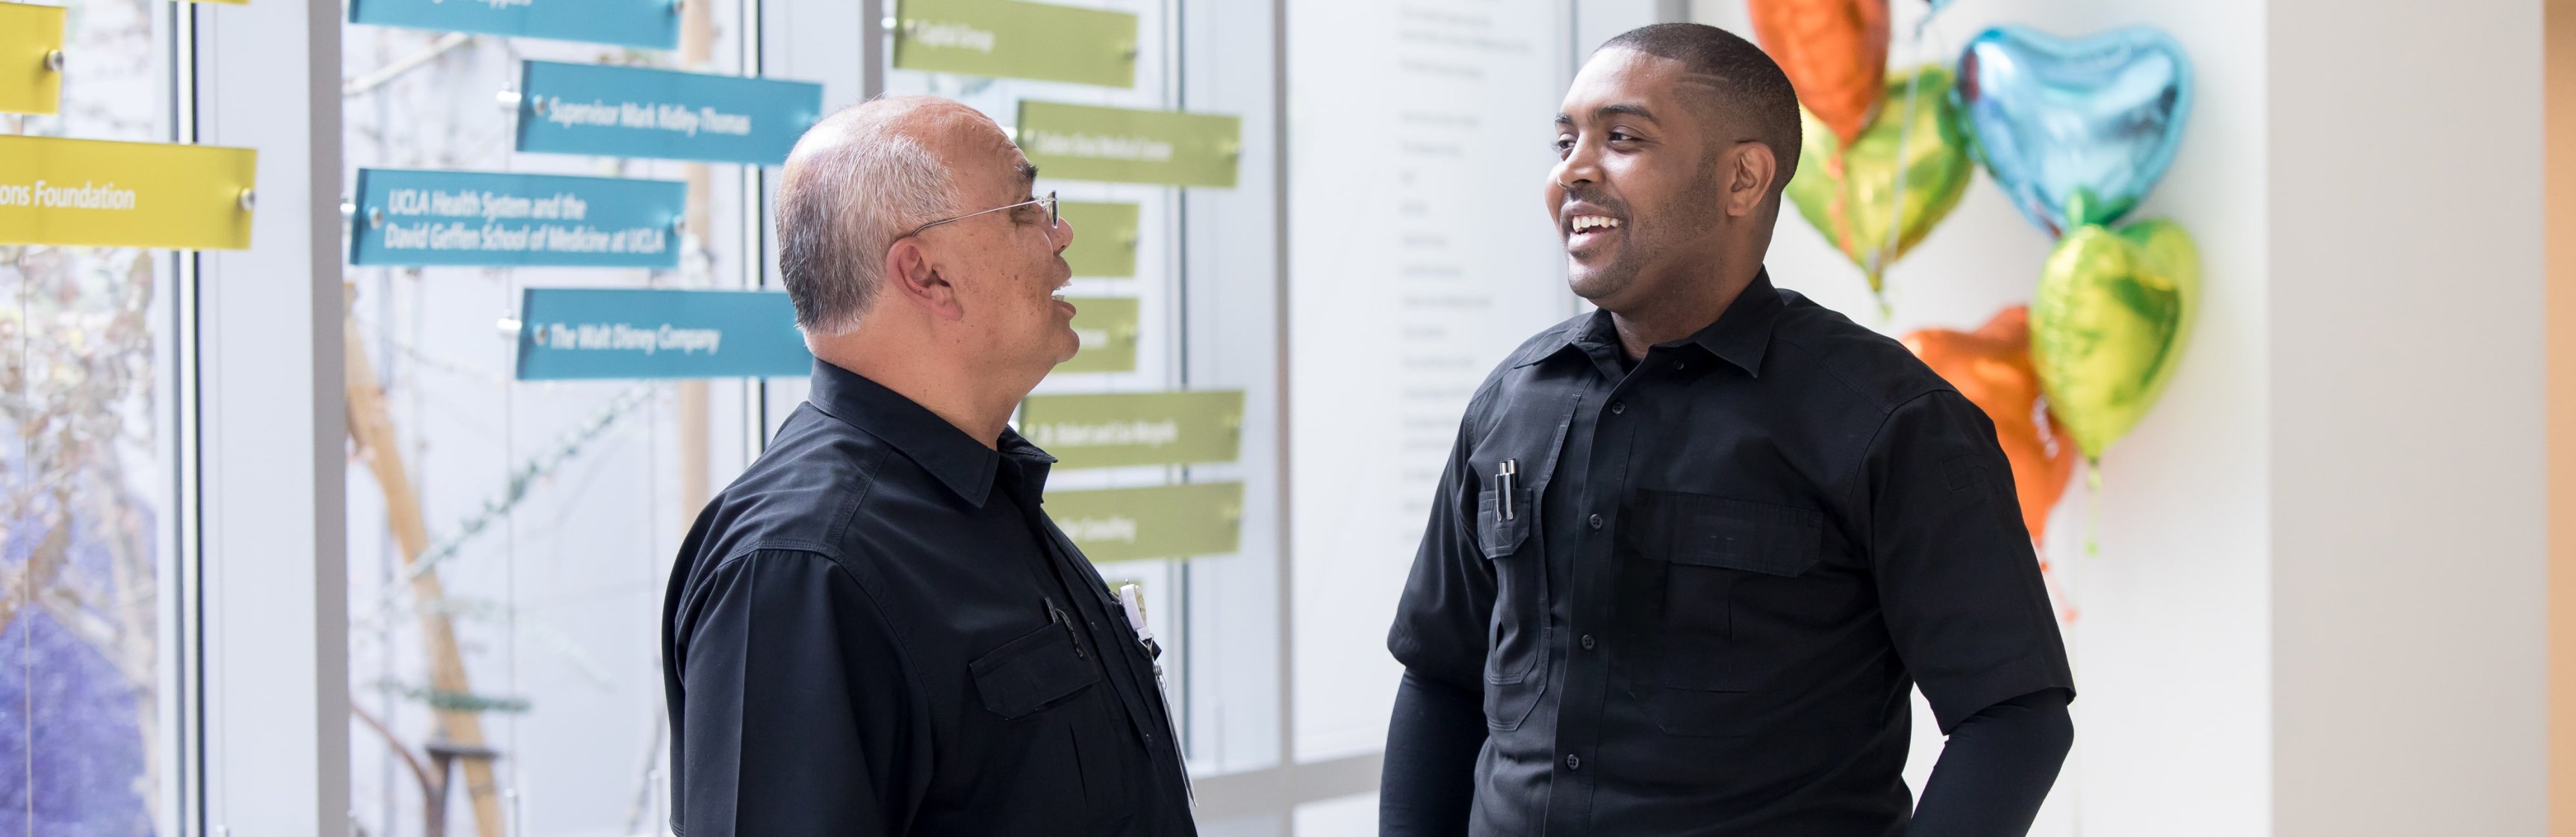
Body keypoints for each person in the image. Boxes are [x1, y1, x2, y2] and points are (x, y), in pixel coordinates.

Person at [1379, 24, 2074, 837]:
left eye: (1622, 137)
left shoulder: (1893, 421)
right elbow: (1440, 678)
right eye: (1566, 140)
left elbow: (2015, 713)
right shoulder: (1511, 401)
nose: (1572, 170)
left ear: (1742, 178)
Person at [660, 96, 1195, 836]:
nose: (1059, 232)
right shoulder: (802, 567)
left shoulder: (985, 495)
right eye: (1023, 209)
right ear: (926, 274)